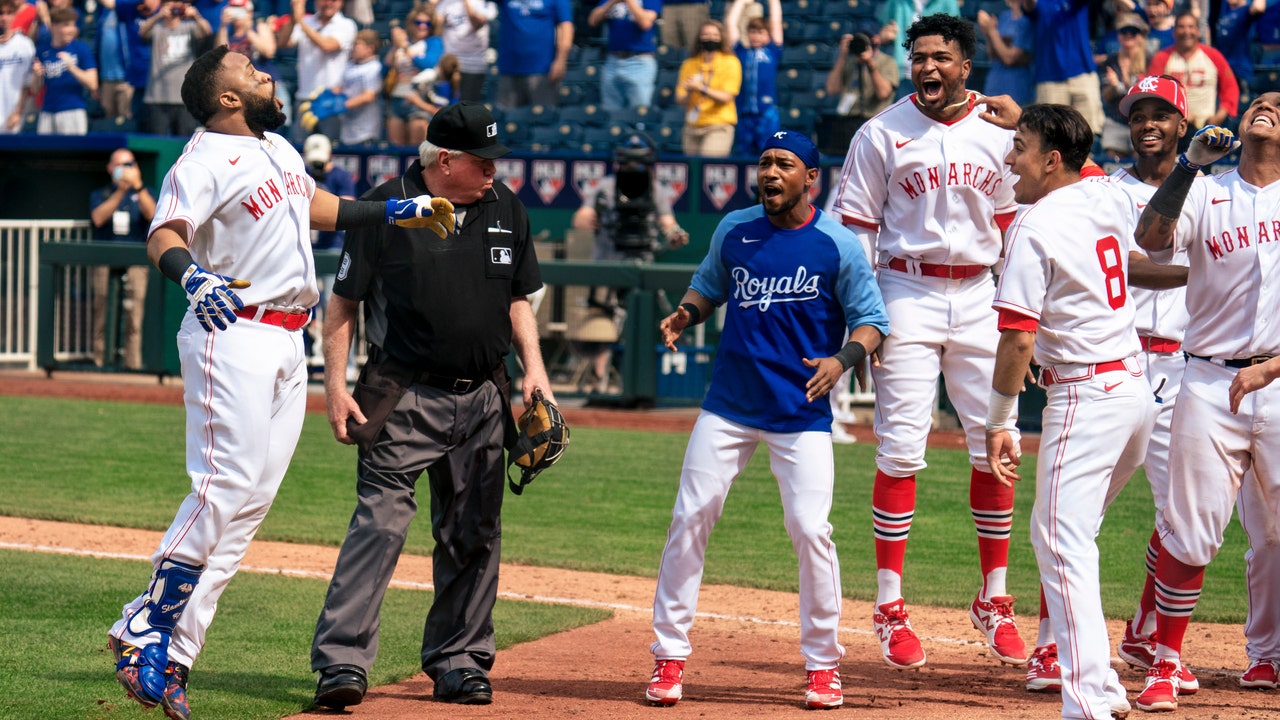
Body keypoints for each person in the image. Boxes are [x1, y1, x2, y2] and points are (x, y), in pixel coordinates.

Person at [107, 44, 453, 720]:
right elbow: (165, 230)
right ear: (226, 97)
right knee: (225, 483)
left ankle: (175, 652)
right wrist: (192, 274)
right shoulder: (204, 157)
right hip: (231, 329)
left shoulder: (279, 152)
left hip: (289, 339)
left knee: (248, 508)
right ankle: (142, 623)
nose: (266, 72)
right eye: (249, 70)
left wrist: (390, 213)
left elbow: (313, 206)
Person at [308, 100, 551, 710]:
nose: (494, 169)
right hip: (405, 392)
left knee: (474, 532)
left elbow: (520, 298)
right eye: (483, 159)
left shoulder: (506, 206)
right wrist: (335, 386)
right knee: (379, 525)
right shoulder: (388, 204)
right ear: (446, 160)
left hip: (484, 398)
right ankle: (342, 663)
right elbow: (343, 305)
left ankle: (459, 660)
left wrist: (536, 373)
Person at [645, 129, 889, 709]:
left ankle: (824, 663)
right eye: (764, 163)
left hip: (799, 412)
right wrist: (685, 313)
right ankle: (668, 656)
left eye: (784, 164)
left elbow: (872, 321)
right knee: (690, 517)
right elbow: (709, 286)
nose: (770, 172)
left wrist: (842, 359)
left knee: (811, 530)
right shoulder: (735, 228)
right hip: (729, 406)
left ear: (811, 177)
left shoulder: (836, 243)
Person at [831, 14, 1027, 671]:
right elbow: (854, 231)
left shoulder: (1001, 134)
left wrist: (1022, 316)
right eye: (918, 58)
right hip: (905, 290)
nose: (927, 68)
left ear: (966, 66)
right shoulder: (882, 131)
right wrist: (865, 317)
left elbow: (1018, 224)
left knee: (996, 443)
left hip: (979, 295)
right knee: (902, 448)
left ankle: (994, 597)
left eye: (941, 57)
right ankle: (889, 605)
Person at [985, 101, 1154, 720]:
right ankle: (1101, 687)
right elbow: (1096, 171)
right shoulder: (1104, 194)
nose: (1010, 158)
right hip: (1134, 390)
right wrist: (1023, 116)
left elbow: (1018, 339)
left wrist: (1000, 420)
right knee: (1073, 537)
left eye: (1021, 147)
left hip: (1085, 394)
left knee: (1059, 539)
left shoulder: (1033, 225)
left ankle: (1088, 698)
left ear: (1051, 160)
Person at [1131, 104, 1278, 711]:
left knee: (1273, 534)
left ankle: (1267, 657)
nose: (1265, 108)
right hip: (1209, 379)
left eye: (1278, 106)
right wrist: (1187, 168)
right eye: (1257, 104)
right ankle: (1164, 662)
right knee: (1190, 531)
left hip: (1277, 373)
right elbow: (1150, 240)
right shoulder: (1206, 190)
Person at [570, 132, 687, 392]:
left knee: (655, 322)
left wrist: (674, 235)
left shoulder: (655, 189)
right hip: (608, 265)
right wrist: (586, 219)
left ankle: (648, 385)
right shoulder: (605, 187)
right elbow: (580, 217)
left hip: (641, 268)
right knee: (603, 324)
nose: (633, 169)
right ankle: (599, 382)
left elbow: (668, 223)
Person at [89, 148, 156, 371]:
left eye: (129, 165)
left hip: (136, 260)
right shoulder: (102, 193)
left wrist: (137, 186)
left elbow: (153, 216)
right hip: (105, 258)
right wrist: (119, 191)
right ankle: (100, 362)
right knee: (101, 310)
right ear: (110, 168)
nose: (125, 170)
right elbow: (98, 218)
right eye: (120, 165)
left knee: (134, 314)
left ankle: (132, 366)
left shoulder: (145, 192)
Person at [1148, 11, 1239, 139]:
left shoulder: (1213, 56)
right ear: (1174, 32)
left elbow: (1230, 88)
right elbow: (1153, 92)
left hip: (1208, 126)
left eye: (1191, 27)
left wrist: (1220, 115)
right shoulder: (1162, 58)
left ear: (1198, 31)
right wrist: (1179, 113)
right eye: (1181, 27)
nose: (1186, 32)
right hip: (1173, 128)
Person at [276, 0, 356, 142]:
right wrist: (294, 17)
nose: (328, 3)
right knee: (299, 147)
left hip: (331, 99)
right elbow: (282, 43)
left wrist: (301, 22)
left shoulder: (347, 24)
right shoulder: (307, 21)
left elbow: (327, 45)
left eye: (334, 0)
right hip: (305, 97)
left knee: (331, 148)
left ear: (341, 2)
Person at [1025, 0, 1104, 134]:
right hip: (1049, 78)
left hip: (1083, 74)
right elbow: (1029, 7)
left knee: (1090, 133)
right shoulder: (1041, 4)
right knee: (1050, 134)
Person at [822, 26, 898, 153]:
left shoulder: (887, 62)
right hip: (846, 122)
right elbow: (832, 89)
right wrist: (842, 56)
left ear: (874, 43)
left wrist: (870, 64)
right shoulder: (850, 62)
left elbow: (883, 93)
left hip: (873, 121)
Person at [141, 1, 212, 136]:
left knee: (183, 143)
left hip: (184, 99)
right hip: (157, 97)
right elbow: (142, 32)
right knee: (158, 142)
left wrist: (196, 16)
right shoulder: (157, 28)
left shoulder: (189, 26)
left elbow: (206, 31)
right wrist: (158, 15)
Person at [674, 19, 739, 157]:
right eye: (706, 34)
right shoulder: (689, 64)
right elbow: (680, 100)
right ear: (699, 38)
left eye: (715, 35)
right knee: (691, 172)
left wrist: (701, 88)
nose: (710, 38)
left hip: (718, 125)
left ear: (721, 38)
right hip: (692, 126)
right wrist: (690, 92)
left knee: (708, 168)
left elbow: (726, 97)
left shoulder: (731, 62)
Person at [217, 0, 286, 128]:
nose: (237, 14)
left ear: (249, 12)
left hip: (267, 85)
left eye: (240, 10)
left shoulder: (259, 28)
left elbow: (268, 51)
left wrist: (248, 30)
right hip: (244, 90)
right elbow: (221, 57)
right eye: (233, 9)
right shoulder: (229, 34)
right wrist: (223, 26)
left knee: (276, 128)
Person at [724, 0, 781, 157]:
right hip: (744, 112)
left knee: (769, 153)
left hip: (767, 113)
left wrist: (772, 2)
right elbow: (730, 23)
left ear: (768, 35)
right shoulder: (741, 52)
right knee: (743, 155)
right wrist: (741, 2)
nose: (755, 36)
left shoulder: (772, 51)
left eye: (760, 32)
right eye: (752, 32)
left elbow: (776, 21)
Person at [494, 0, 572, 110]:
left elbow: (566, 27)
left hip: (543, 70)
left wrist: (561, 60)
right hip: (509, 69)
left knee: (543, 119)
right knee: (506, 120)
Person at [383, 3, 442, 146]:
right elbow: (384, 70)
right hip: (398, 98)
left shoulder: (433, 42)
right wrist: (396, 47)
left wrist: (405, 48)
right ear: (411, 23)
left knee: (416, 151)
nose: (422, 26)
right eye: (418, 22)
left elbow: (428, 63)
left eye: (427, 23)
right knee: (396, 151)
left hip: (419, 100)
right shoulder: (402, 42)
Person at [589, 0, 661, 113]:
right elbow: (593, 21)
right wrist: (612, 2)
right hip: (613, 60)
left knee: (638, 113)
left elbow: (645, 23)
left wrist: (629, 1)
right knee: (611, 113)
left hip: (639, 61)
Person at [33, 7, 95, 135]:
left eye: (73, 25)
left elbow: (93, 83)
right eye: (66, 25)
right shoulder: (42, 51)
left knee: (73, 152)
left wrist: (72, 68)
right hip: (48, 111)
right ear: (54, 26)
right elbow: (35, 89)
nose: (71, 29)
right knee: (45, 152)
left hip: (72, 109)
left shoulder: (80, 49)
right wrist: (36, 75)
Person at [876, 0, 958, 95]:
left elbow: (955, 37)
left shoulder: (948, 2)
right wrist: (882, 36)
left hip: (934, 75)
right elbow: (880, 27)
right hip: (901, 74)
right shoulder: (896, 2)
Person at [1099, 14, 1150, 159]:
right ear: (1118, 35)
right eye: (1124, 31)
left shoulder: (1150, 60)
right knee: (1112, 164)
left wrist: (1124, 85)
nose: (1128, 35)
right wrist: (1114, 87)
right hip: (1116, 121)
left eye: (1133, 32)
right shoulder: (1109, 61)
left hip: (1142, 120)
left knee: (1142, 161)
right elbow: (1106, 96)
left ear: (1140, 36)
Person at [435, 0, 496, 103]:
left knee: (468, 108)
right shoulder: (446, 3)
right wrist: (434, 4)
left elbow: (476, 23)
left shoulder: (485, 3)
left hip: (473, 65)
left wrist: (466, 2)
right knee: (444, 106)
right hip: (450, 63)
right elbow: (435, 27)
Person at [975, 0, 1033, 106]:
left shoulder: (1029, 20)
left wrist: (992, 31)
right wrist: (987, 32)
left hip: (1018, 92)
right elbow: (992, 54)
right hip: (994, 88)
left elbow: (1009, 59)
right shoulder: (1004, 16)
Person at [335, 28, 382, 145]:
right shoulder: (350, 65)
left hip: (366, 129)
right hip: (347, 127)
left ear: (370, 48)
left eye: (357, 44)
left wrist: (341, 105)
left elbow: (369, 96)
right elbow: (339, 88)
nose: (353, 48)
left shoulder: (374, 67)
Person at [0, 0, 37, 134]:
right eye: (0, 13)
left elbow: (27, 84)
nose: (4, 18)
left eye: (9, 13)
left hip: (14, 118)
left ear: (15, 15)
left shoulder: (25, 45)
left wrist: (18, 112)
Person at [95, 0, 133, 122]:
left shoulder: (129, 8)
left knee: (125, 120)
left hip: (126, 79)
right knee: (108, 122)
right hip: (106, 78)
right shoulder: (103, 13)